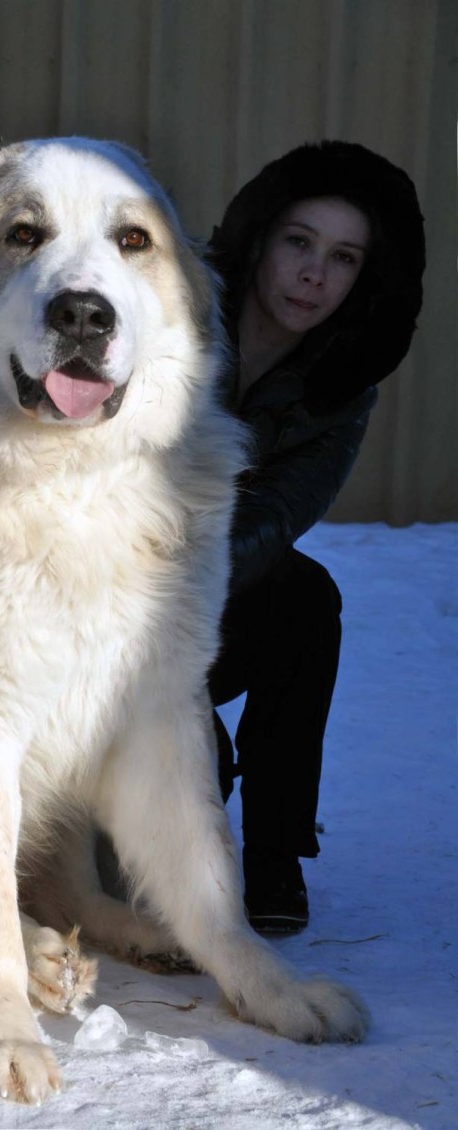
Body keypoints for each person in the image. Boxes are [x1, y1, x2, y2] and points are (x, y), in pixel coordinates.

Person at [206, 139, 426, 932]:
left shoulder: (342, 385)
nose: (313, 274)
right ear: (259, 238)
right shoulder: (170, 317)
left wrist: (170, 621)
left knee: (303, 596)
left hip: (191, 601)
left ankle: (275, 852)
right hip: (87, 606)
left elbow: (277, 518)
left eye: (343, 258)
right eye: (299, 242)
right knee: (164, 824)